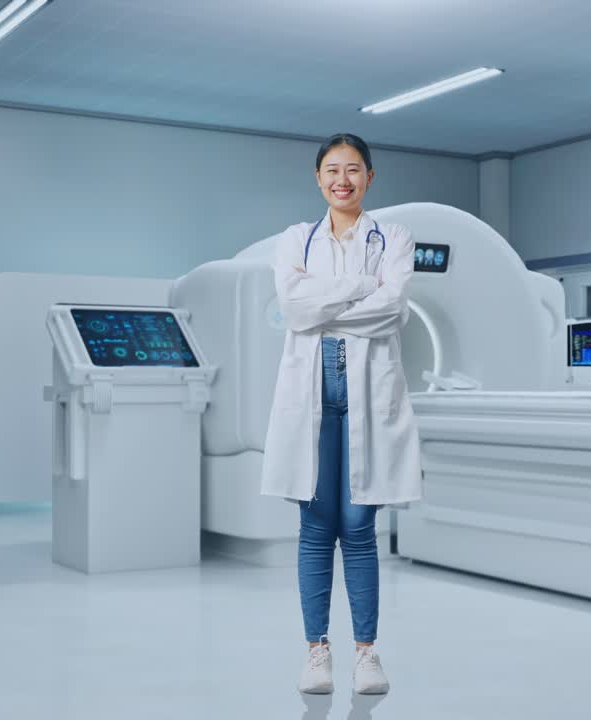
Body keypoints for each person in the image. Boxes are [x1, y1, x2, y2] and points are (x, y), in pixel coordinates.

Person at [261, 133, 423, 695]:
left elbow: (392, 308)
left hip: (369, 398)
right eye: (332, 169)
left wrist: (324, 305)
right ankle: (317, 652)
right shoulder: (295, 239)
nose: (343, 180)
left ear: (369, 177)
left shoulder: (393, 237)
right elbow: (293, 308)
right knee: (314, 527)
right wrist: (360, 288)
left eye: (354, 169)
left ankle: (367, 654)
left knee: (358, 527)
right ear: (318, 178)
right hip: (312, 397)